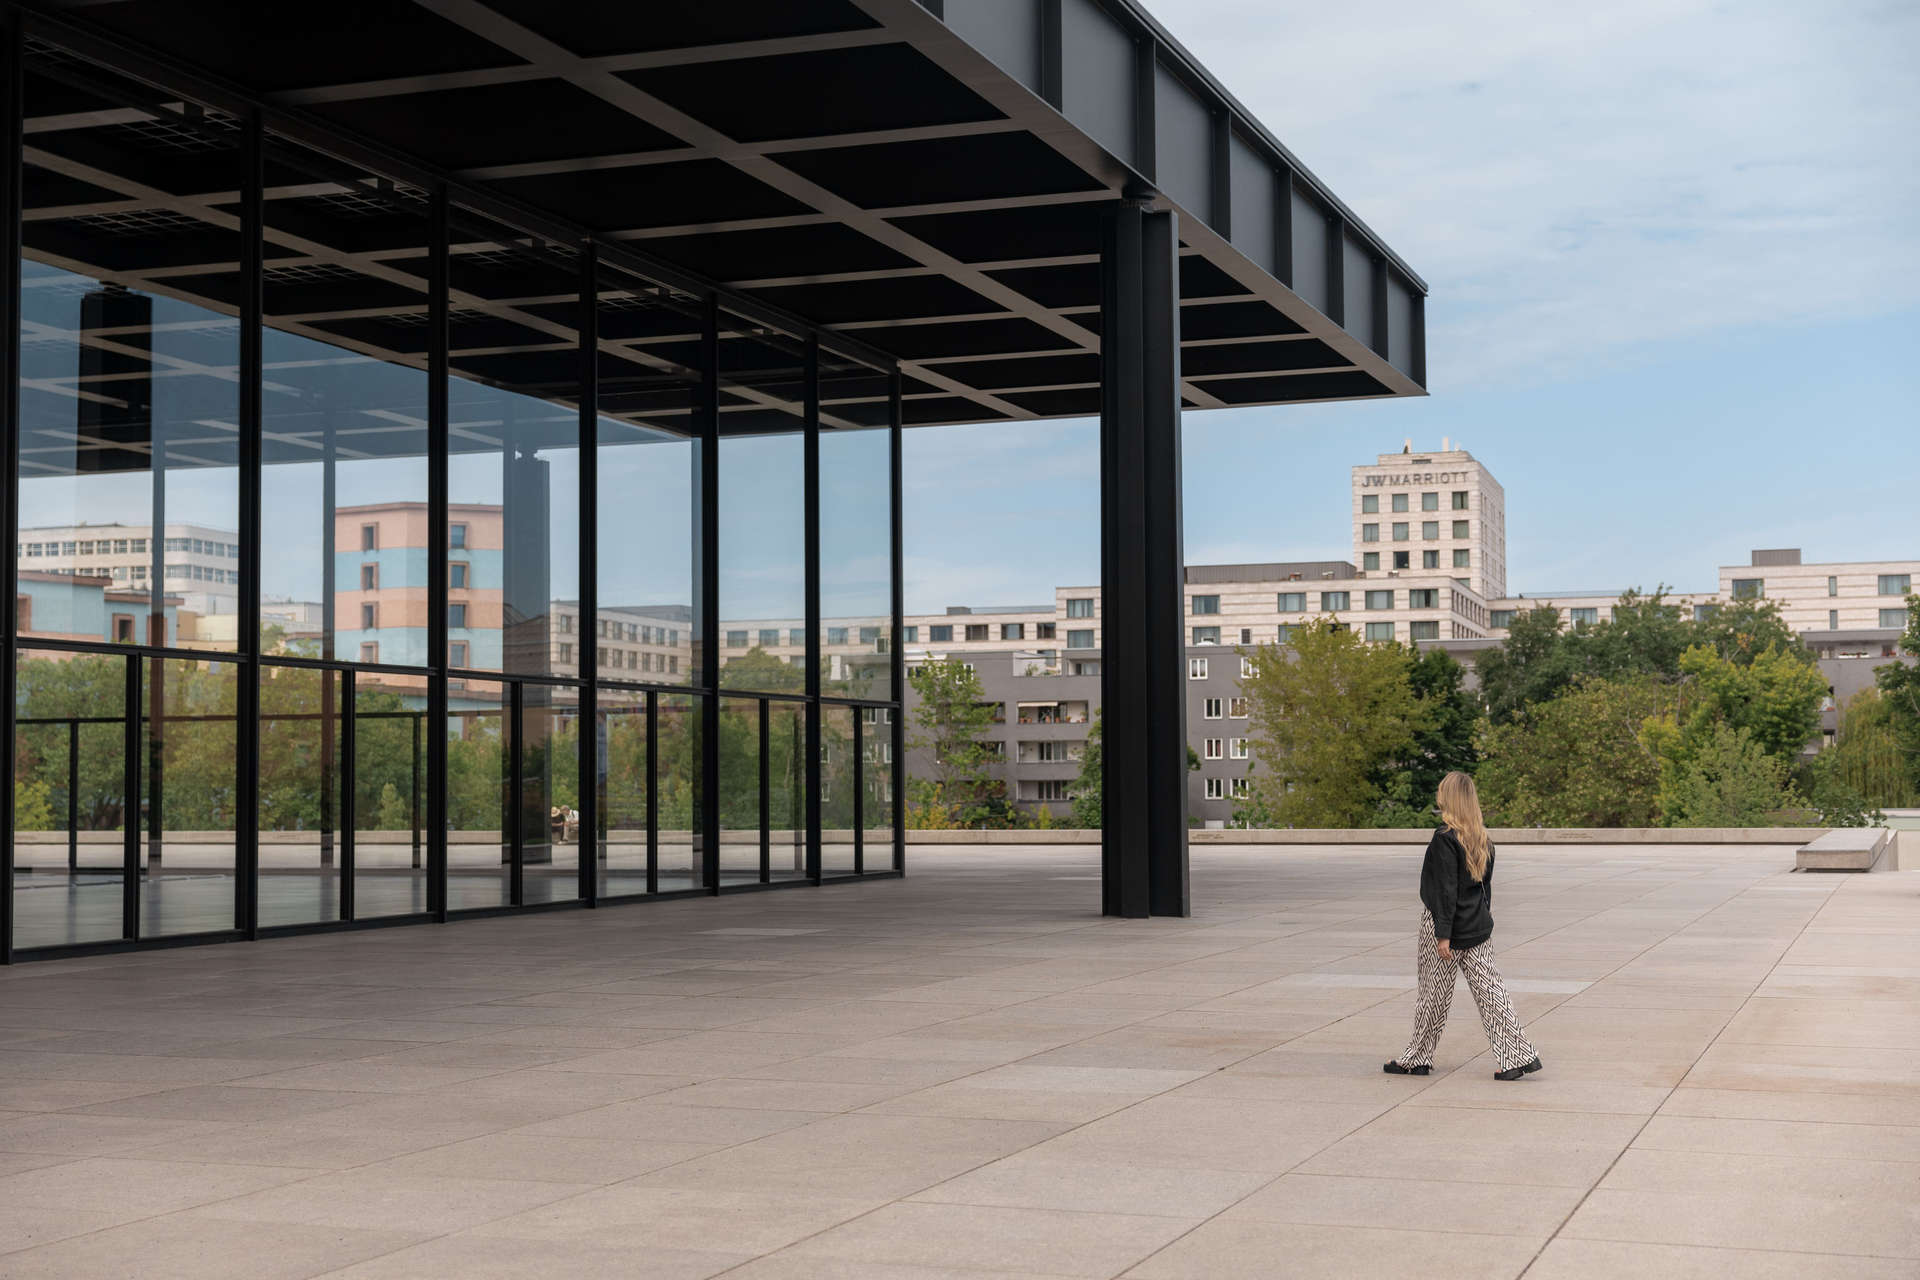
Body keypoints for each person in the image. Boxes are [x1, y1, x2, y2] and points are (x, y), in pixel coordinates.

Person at [1383, 771, 1542, 1081]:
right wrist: (1483, 918)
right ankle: (1518, 1056)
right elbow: (1486, 889)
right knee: (1493, 994)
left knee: (1433, 996)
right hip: (1476, 927)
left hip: (1445, 929)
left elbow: (1445, 890)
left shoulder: (1444, 839)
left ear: (1450, 798)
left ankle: (1417, 1057)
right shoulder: (1482, 839)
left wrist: (1443, 935)